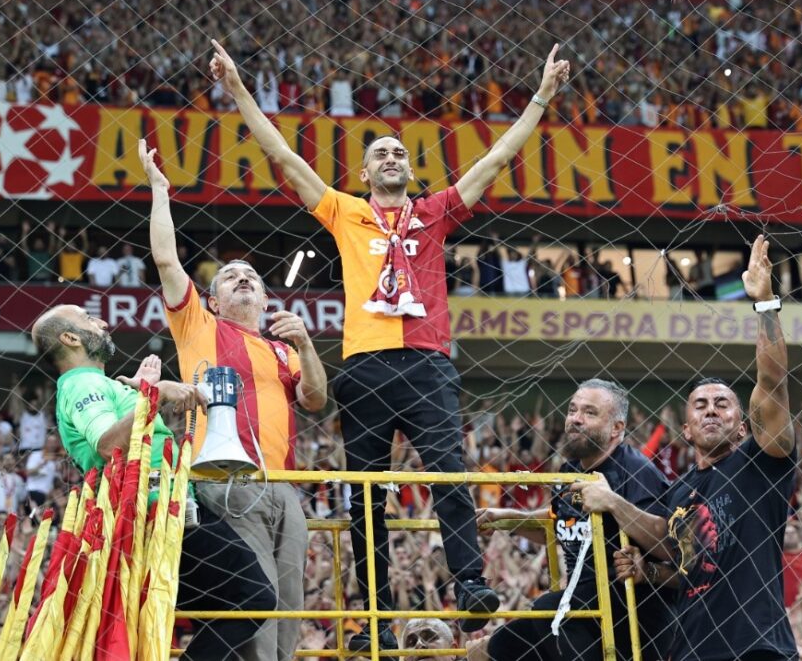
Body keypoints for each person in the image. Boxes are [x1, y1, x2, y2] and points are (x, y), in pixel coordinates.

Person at [208, 37, 570, 650]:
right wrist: (240, 89)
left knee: (449, 474)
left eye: (400, 152)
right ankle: (373, 614)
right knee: (364, 495)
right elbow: (283, 157)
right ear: (365, 173)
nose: (392, 157)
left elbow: (495, 161)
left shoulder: (436, 212)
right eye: (380, 153)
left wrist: (539, 97)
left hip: (429, 364)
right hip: (365, 368)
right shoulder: (343, 211)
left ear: (410, 169)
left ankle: (471, 585)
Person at [141, 139, 328, 661]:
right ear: (213, 299)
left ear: (265, 299)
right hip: (228, 482)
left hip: (286, 487)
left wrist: (307, 345)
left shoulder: (282, 349)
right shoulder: (198, 326)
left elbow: (315, 399)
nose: (243, 279)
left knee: (288, 607)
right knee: (256, 608)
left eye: (252, 277)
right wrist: (160, 191)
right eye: (230, 277)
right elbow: (165, 258)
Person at [570, 235, 798, 661]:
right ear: (687, 431)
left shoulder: (761, 463)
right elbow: (683, 558)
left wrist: (765, 304)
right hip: (691, 649)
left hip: (756, 647)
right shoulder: (679, 492)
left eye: (722, 404)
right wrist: (649, 570)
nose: (711, 409)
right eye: (700, 405)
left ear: (743, 427)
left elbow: (772, 383)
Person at [30, 305, 277, 660]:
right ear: (70, 338)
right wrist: (156, 393)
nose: (102, 322)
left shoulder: (103, 384)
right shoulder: (82, 384)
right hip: (151, 514)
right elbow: (107, 444)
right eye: (88, 318)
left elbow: (132, 428)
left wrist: (143, 390)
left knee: (218, 605)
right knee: (253, 594)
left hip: (162, 511)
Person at [468, 380, 671, 661]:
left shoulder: (637, 470)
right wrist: (508, 519)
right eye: (572, 410)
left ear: (616, 428)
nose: (575, 418)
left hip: (630, 611)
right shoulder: (570, 470)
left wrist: (612, 502)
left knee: (545, 609)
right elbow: (558, 526)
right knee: (496, 648)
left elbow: (667, 541)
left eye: (589, 412)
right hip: (579, 607)